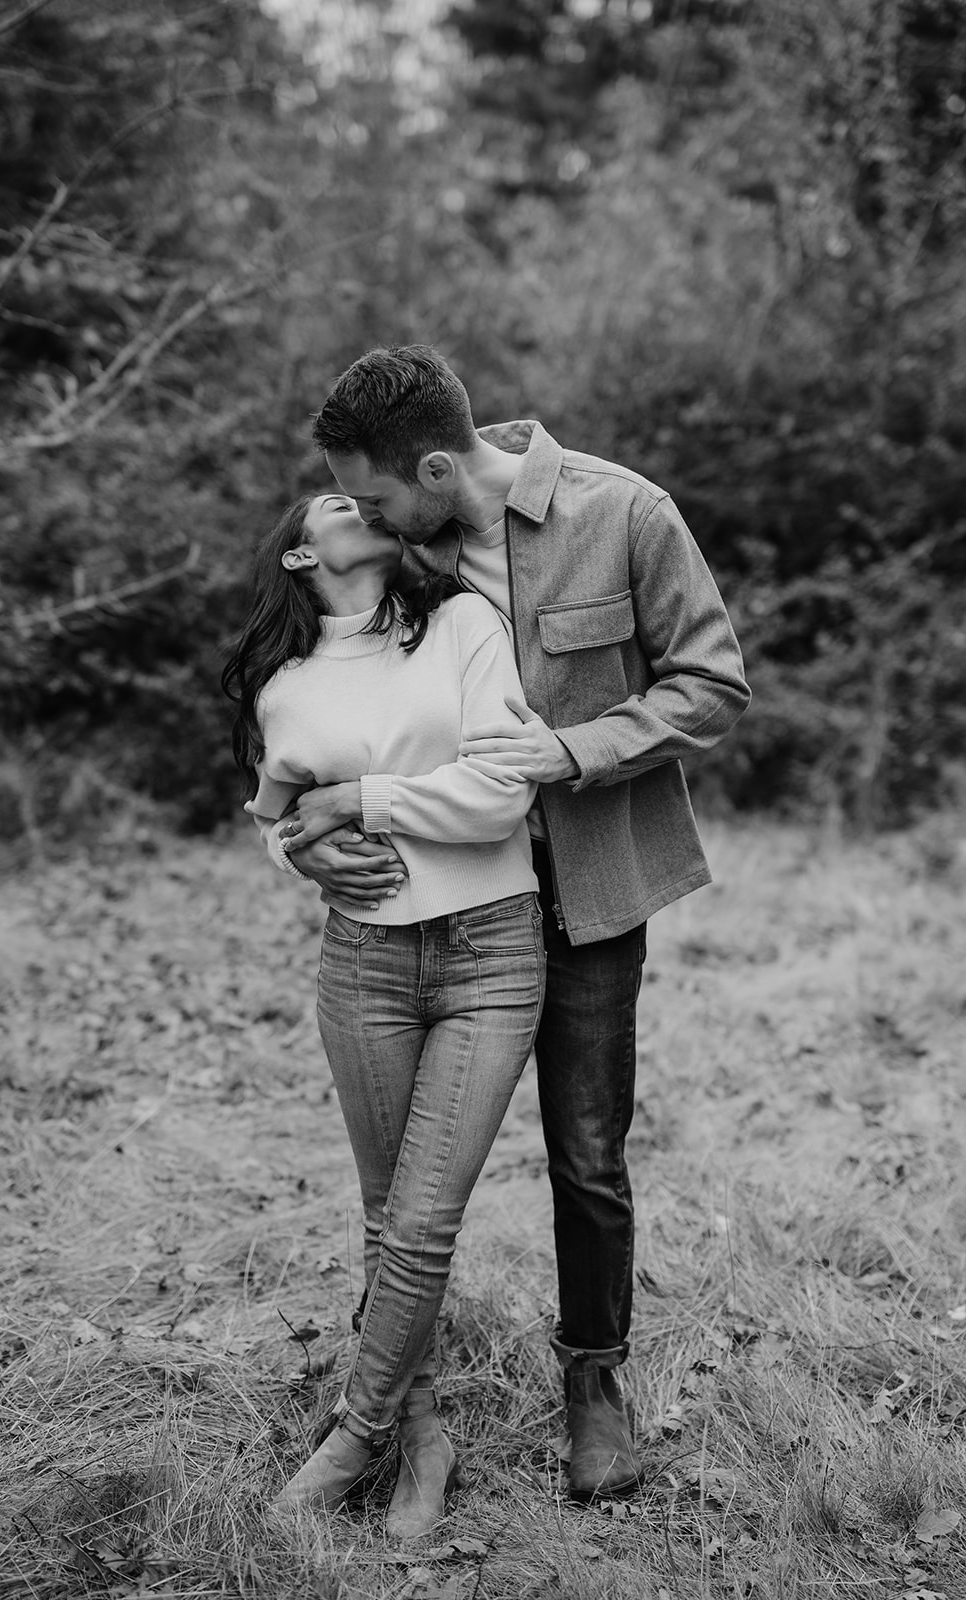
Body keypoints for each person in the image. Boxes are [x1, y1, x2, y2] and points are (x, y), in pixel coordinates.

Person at [277, 344, 751, 1501]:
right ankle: (395, 1405)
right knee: (406, 1183)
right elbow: (322, 697)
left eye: (382, 494)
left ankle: (594, 1383)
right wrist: (300, 830)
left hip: (589, 900)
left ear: (438, 466)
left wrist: (574, 749)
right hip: (443, 909)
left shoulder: (626, 514)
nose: (369, 515)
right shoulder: (394, 552)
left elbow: (715, 683)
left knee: (587, 1155)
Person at [222, 490, 547, 1538]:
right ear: (301, 552)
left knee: (420, 1220)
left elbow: (504, 791)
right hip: (362, 965)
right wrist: (302, 848)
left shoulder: (461, 625)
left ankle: (355, 1432)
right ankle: (425, 1437)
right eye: (335, 500)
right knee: (385, 1220)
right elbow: (272, 820)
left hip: (490, 950)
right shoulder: (286, 684)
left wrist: (361, 801)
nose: (365, 501)